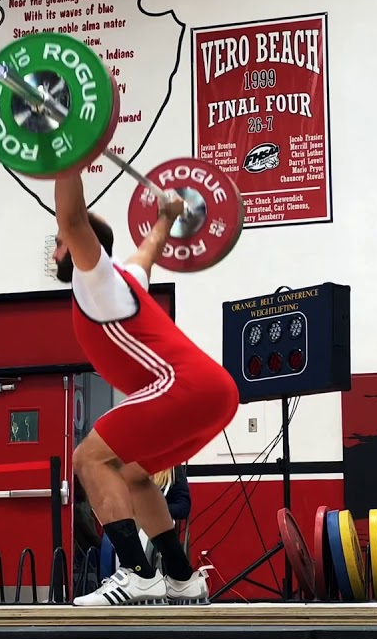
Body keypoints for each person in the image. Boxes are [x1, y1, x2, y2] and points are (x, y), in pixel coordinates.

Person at [51, 169, 239, 607]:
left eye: (61, 241)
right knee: (134, 472)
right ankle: (181, 577)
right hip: (216, 393)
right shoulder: (126, 278)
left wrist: (67, 161)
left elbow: (74, 219)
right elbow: (151, 248)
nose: (59, 244)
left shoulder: (94, 280)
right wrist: (168, 214)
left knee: (87, 457)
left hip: (183, 386)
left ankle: (137, 574)